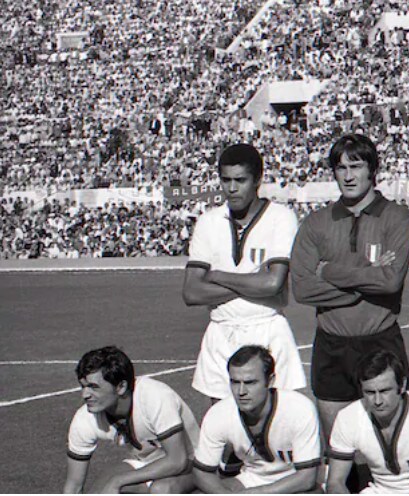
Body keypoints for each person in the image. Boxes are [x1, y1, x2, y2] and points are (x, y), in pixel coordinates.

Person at [290, 133, 409, 447]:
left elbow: (390, 282)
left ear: (372, 169)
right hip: (331, 344)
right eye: (341, 167)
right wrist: (364, 280)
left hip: (380, 339)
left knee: (391, 442)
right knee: (339, 447)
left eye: (356, 166)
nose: (348, 175)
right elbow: (302, 289)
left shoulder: (397, 217)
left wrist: (328, 270)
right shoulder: (316, 223)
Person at [183, 143, 306, 401]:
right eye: (226, 180)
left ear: (258, 180)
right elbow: (192, 292)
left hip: (267, 329)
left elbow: (273, 283)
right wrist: (253, 279)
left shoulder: (281, 217)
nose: (232, 188)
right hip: (221, 331)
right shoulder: (209, 221)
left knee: (277, 421)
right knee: (223, 423)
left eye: (240, 180)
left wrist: (216, 275)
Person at [64, 346, 199, 493]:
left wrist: (118, 481)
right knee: (100, 492)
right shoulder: (84, 419)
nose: (85, 395)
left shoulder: (155, 396)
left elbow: (177, 461)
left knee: (161, 490)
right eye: (83, 386)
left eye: (93, 387)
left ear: (121, 387)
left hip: (193, 463)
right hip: (146, 464)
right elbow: (74, 485)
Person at [193, 346, 321, 493]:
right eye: (235, 382)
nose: (241, 392)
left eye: (250, 383)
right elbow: (201, 472)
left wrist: (260, 493)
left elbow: (307, 478)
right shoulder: (218, 414)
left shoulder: (299, 409)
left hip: (293, 481)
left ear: (270, 381)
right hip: (252, 479)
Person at [327, 350, 409, 494]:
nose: (378, 401)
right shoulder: (348, 417)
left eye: (385, 391)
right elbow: (335, 482)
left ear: (402, 385)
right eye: (370, 393)